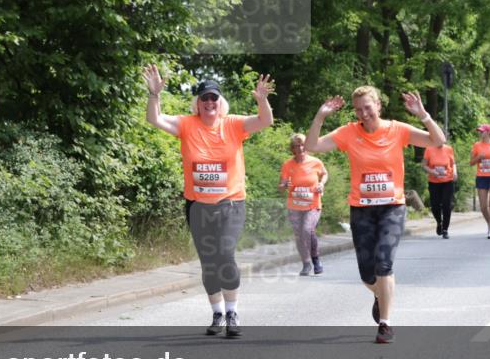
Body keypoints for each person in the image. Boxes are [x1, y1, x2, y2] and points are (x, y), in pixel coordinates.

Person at [305, 86, 444, 344]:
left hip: (392, 206)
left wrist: (423, 115)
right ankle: (381, 294)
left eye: (368, 107)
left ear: (378, 105)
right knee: (367, 274)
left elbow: (438, 141)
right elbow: (312, 145)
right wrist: (320, 116)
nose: (363, 114)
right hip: (362, 209)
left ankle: (385, 323)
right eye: (358, 110)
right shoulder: (349, 132)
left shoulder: (397, 129)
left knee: (384, 263)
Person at [143, 65, 274, 337]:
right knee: (209, 263)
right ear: (198, 103)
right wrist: (154, 95)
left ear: (220, 102)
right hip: (197, 205)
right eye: (205, 98)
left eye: (214, 98)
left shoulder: (233, 124)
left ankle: (232, 313)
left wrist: (262, 100)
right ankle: (217, 314)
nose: (209, 103)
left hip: (230, 203)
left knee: (225, 254)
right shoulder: (186, 124)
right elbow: (154, 120)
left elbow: (264, 121)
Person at [279, 134, 329, 276]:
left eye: (302, 145)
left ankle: (316, 259)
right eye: (296, 146)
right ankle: (306, 263)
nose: (300, 148)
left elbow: (325, 174)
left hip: (312, 204)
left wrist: (321, 183)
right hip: (294, 205)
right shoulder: (287, 165)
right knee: (298, 235)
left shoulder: (315, 162)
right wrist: (284, 185)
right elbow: (281, 186)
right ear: (292, 149)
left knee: (307, 230)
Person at [422, 141, 457, 239]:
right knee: (435, 206)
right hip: (434, 182)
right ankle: (439, 222)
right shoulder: (429, 149)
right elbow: (424, 165)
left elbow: (453, 163)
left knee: (447, 205)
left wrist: (455, 172)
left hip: (447, 180)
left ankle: (445, 229)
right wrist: (432, 171)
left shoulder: (448, 149)